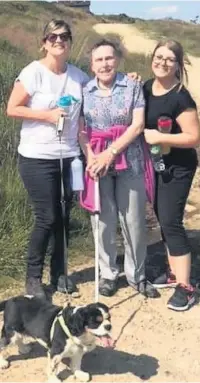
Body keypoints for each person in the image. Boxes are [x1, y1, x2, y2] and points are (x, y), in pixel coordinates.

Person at [6, 19, 89, 299]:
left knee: (64, 216)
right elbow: (12, 109)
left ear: (69, 42)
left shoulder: (79, 78)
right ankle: (33, 278)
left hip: (69, 158)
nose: (58, 41)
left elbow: (86, 116)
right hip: (37, 157)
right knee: (47, 216)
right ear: (44, 42)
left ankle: (60, 273)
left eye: (64, 36)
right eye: (52, 37)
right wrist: (47, 115)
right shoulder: (33, 73)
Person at [79, 39, 159, 298]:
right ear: (92, 65)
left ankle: (137, 275)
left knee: (133, 219)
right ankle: (108, 274)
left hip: (130, 160)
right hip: (97, 164)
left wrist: (110, 153)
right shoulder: (85, 90)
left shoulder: (133, 86)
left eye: (109, 58)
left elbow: (137, 126)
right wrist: (92, 156)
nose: (105, 64)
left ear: (117, 60)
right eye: (99, 60)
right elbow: (81, 129)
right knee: (102, 220)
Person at [143, 39, 200, 311]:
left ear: (178, 65)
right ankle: (174, 272)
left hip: (179, 166)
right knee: (163, 219)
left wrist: (158, 136)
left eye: (169, 59)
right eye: (159, 56)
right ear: (152, 58)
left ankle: (186, 287)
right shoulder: (145, 87)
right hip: (157, 164)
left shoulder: (180, 96)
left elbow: (194, 137)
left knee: (171, 220)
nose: (162, 62)